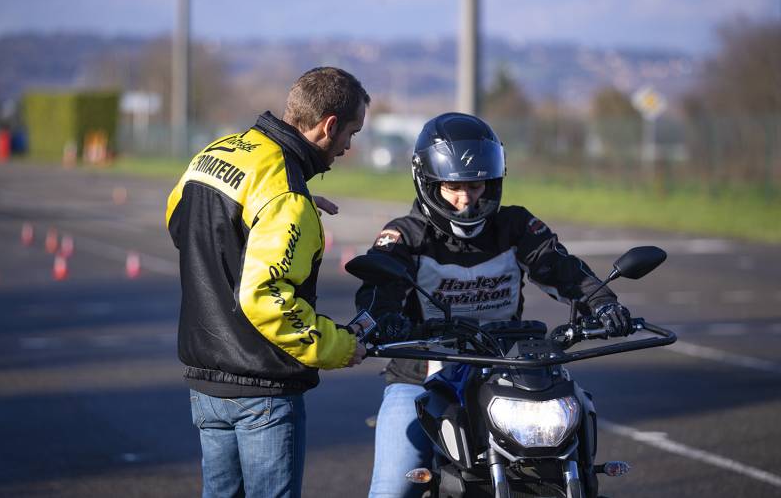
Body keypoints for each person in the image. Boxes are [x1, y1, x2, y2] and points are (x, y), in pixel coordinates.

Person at [355, 112, 634, 498]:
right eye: (453, 186)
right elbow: (380, 286)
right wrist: (383, 320)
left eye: (476, 185)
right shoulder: (406, 234)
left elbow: (563, 270)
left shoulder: (515, 226)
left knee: (575, 423)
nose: (467, 197)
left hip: (506, 369)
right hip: (420, 374)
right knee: (392, 488)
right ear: (429, 182)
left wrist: (603, 304)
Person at [166, 66, 370, 498]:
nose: (349, 147)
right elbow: (265, 299)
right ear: (329, 126)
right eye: (351, 133)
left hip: (205, 381)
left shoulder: (221, 150)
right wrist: (338, 346)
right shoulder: (285, 195)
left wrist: (269, 218)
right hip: (261, 389)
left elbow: (178, 219)